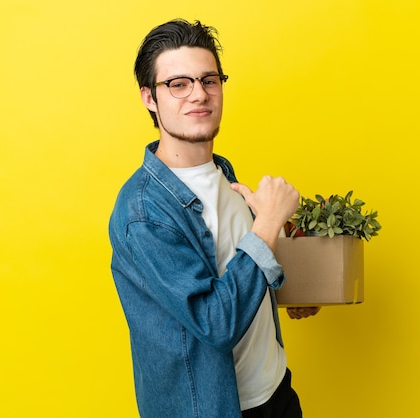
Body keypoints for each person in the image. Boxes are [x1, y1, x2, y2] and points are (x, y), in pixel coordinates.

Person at [109, 19, 319, 418]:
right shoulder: (144, 213)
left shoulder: (224, 173)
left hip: (276, 391)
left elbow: (232, 268)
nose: (198, 95)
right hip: (213, 407)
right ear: (149, 98)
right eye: (178, 84)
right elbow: (215, 323)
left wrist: (288, 292)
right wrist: (267, 223)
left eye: (209, 80)